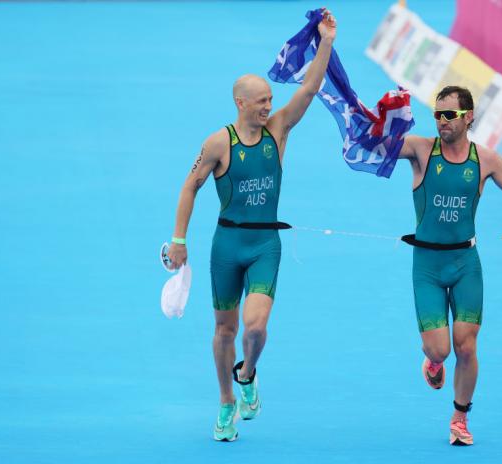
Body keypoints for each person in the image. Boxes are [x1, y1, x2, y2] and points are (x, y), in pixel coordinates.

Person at [166, 10, 337, 442]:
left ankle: (248, 374)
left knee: (255, 327)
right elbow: (190, 187)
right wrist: (179, 239)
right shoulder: (218, 142)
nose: (268, 106)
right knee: (224, 329)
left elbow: (310, 88)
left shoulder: (277, 131)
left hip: (265, 244)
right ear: (240, 103)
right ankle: (226, 402)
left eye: (269, 99)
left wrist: (327, 42)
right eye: (261, 100)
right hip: (227, 245)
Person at [397, 85, 502, 446]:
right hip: (426, 264)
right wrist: (381, 118)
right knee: (439, 349)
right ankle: (435, 364)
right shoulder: (421, 150)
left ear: (468, 117)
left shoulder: (485, 160)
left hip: (465, 264)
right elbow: (378, 146)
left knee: (467, 346)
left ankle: (459, 418)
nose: (441, 121)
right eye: (437, 115)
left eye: (449, 115)